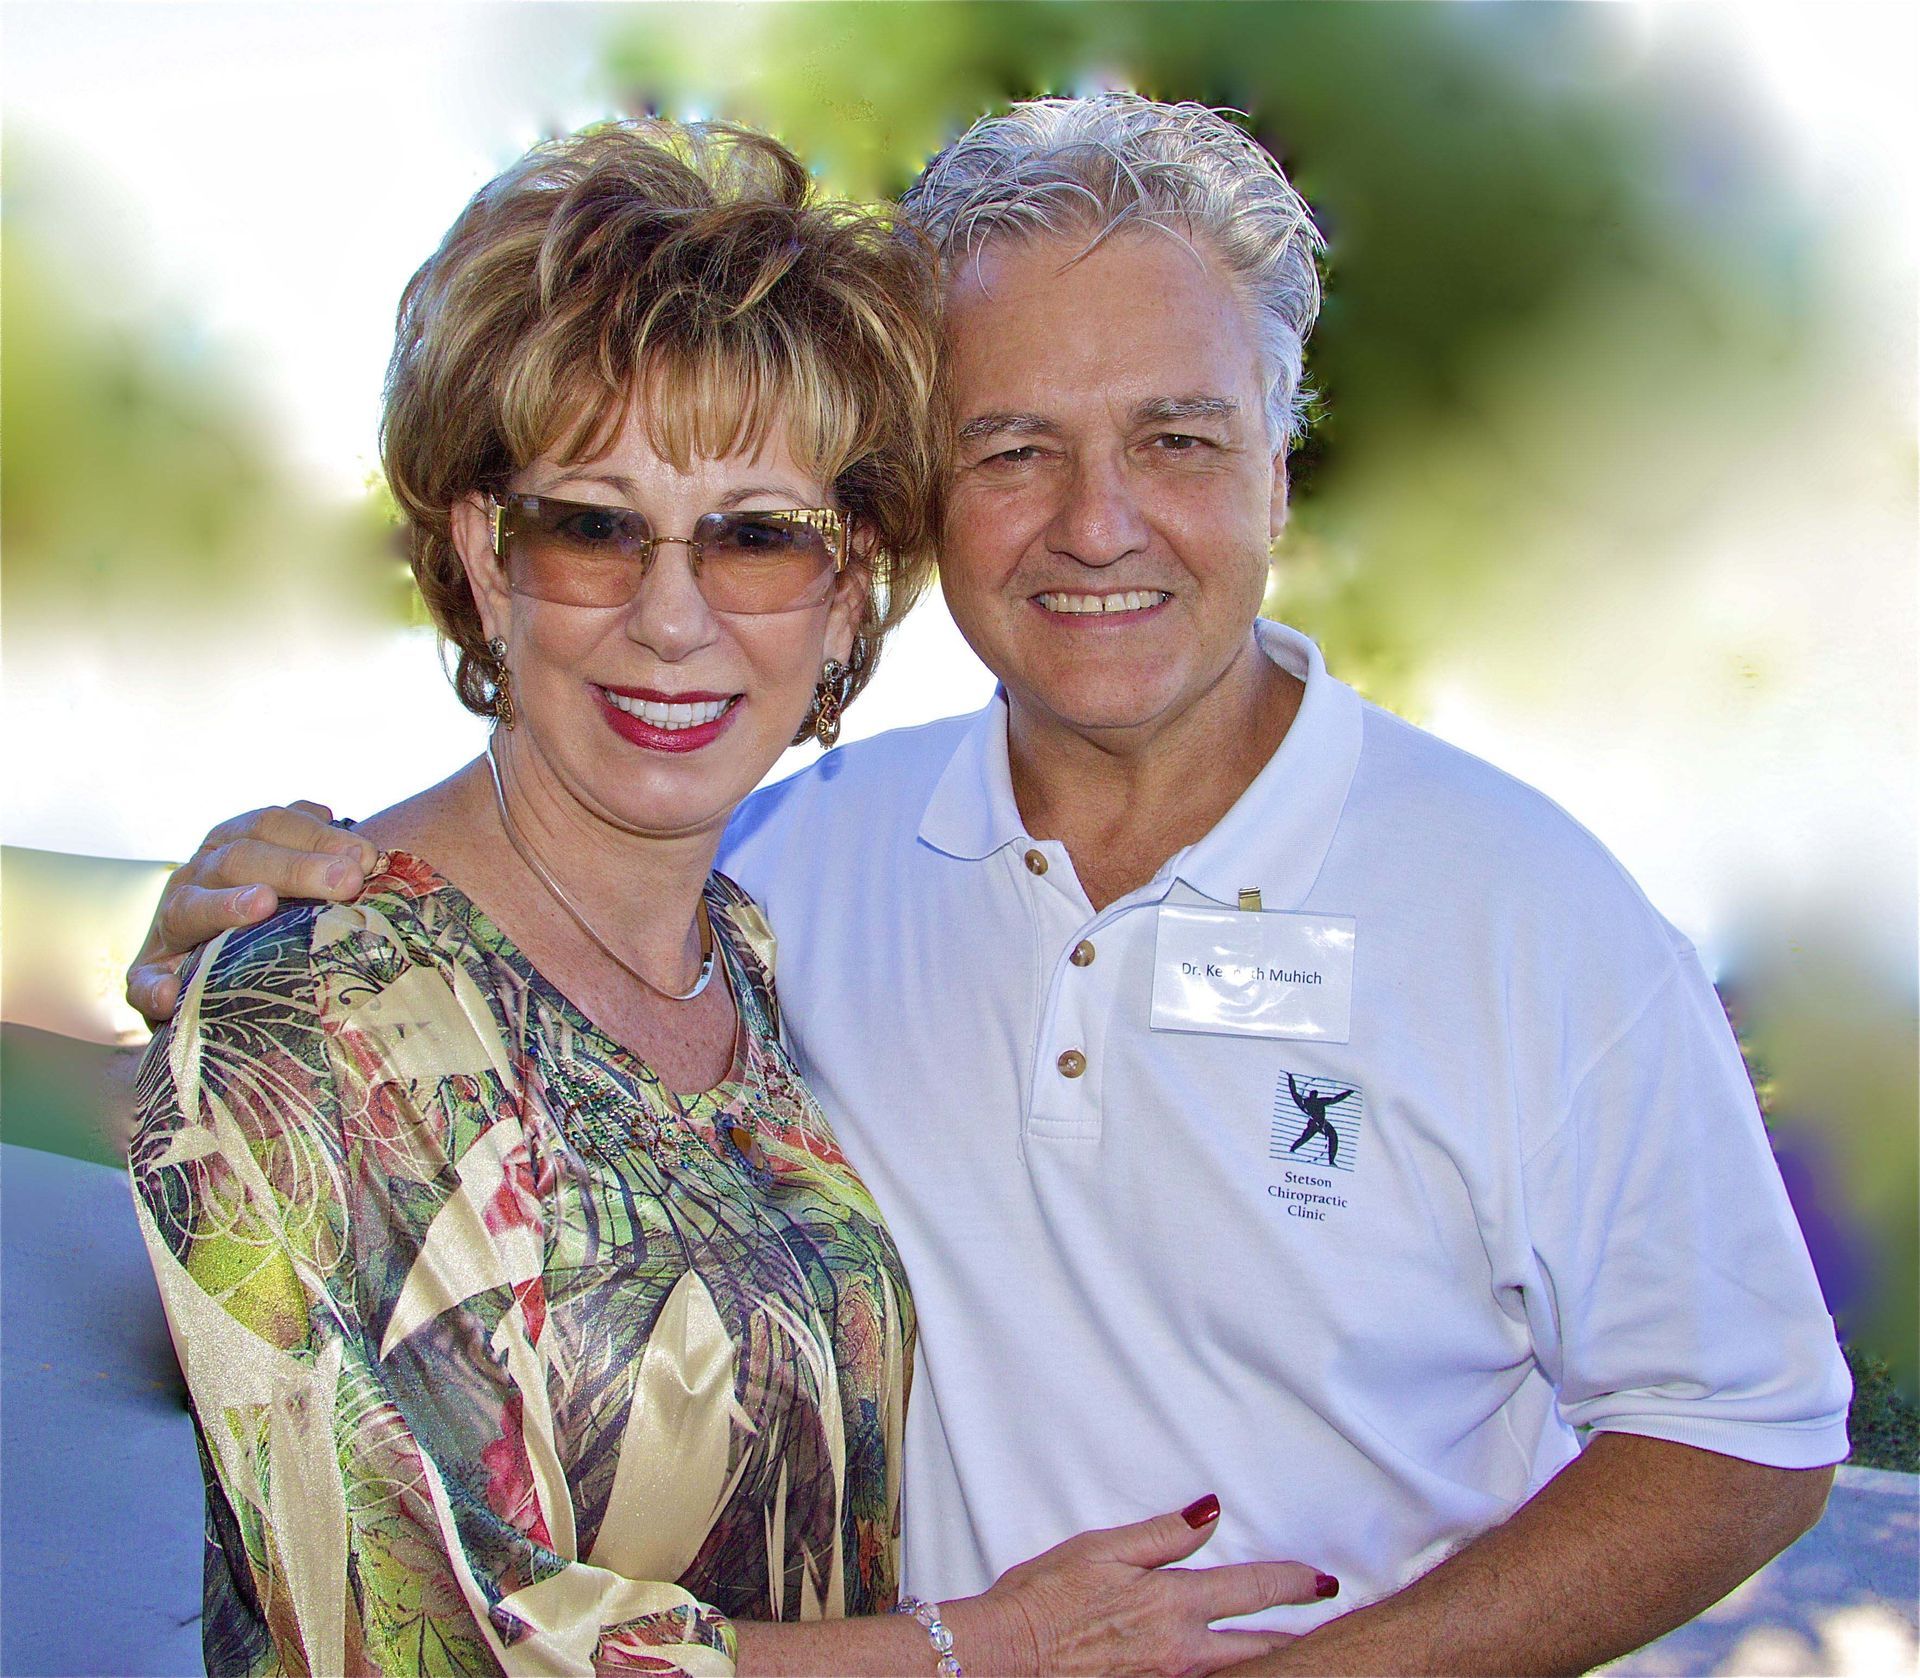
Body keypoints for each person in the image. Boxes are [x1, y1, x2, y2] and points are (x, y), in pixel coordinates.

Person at [130, 95, 1851, 1674]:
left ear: (1278, 465)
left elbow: (1746, 1426)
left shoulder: (1529, 912)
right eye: (1013, 446)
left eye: (1177, 439)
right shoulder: (802, 862)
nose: (1097, 524)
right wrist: (249, 941)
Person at [124, 117, 1331, 1678]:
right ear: (486, 556)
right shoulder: (301, 1020)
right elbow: (407, 1643)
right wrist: (992, 1645)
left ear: (846, 591)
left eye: (759, 537)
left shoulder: (758, 946)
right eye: (594, 526)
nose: (674, 618)